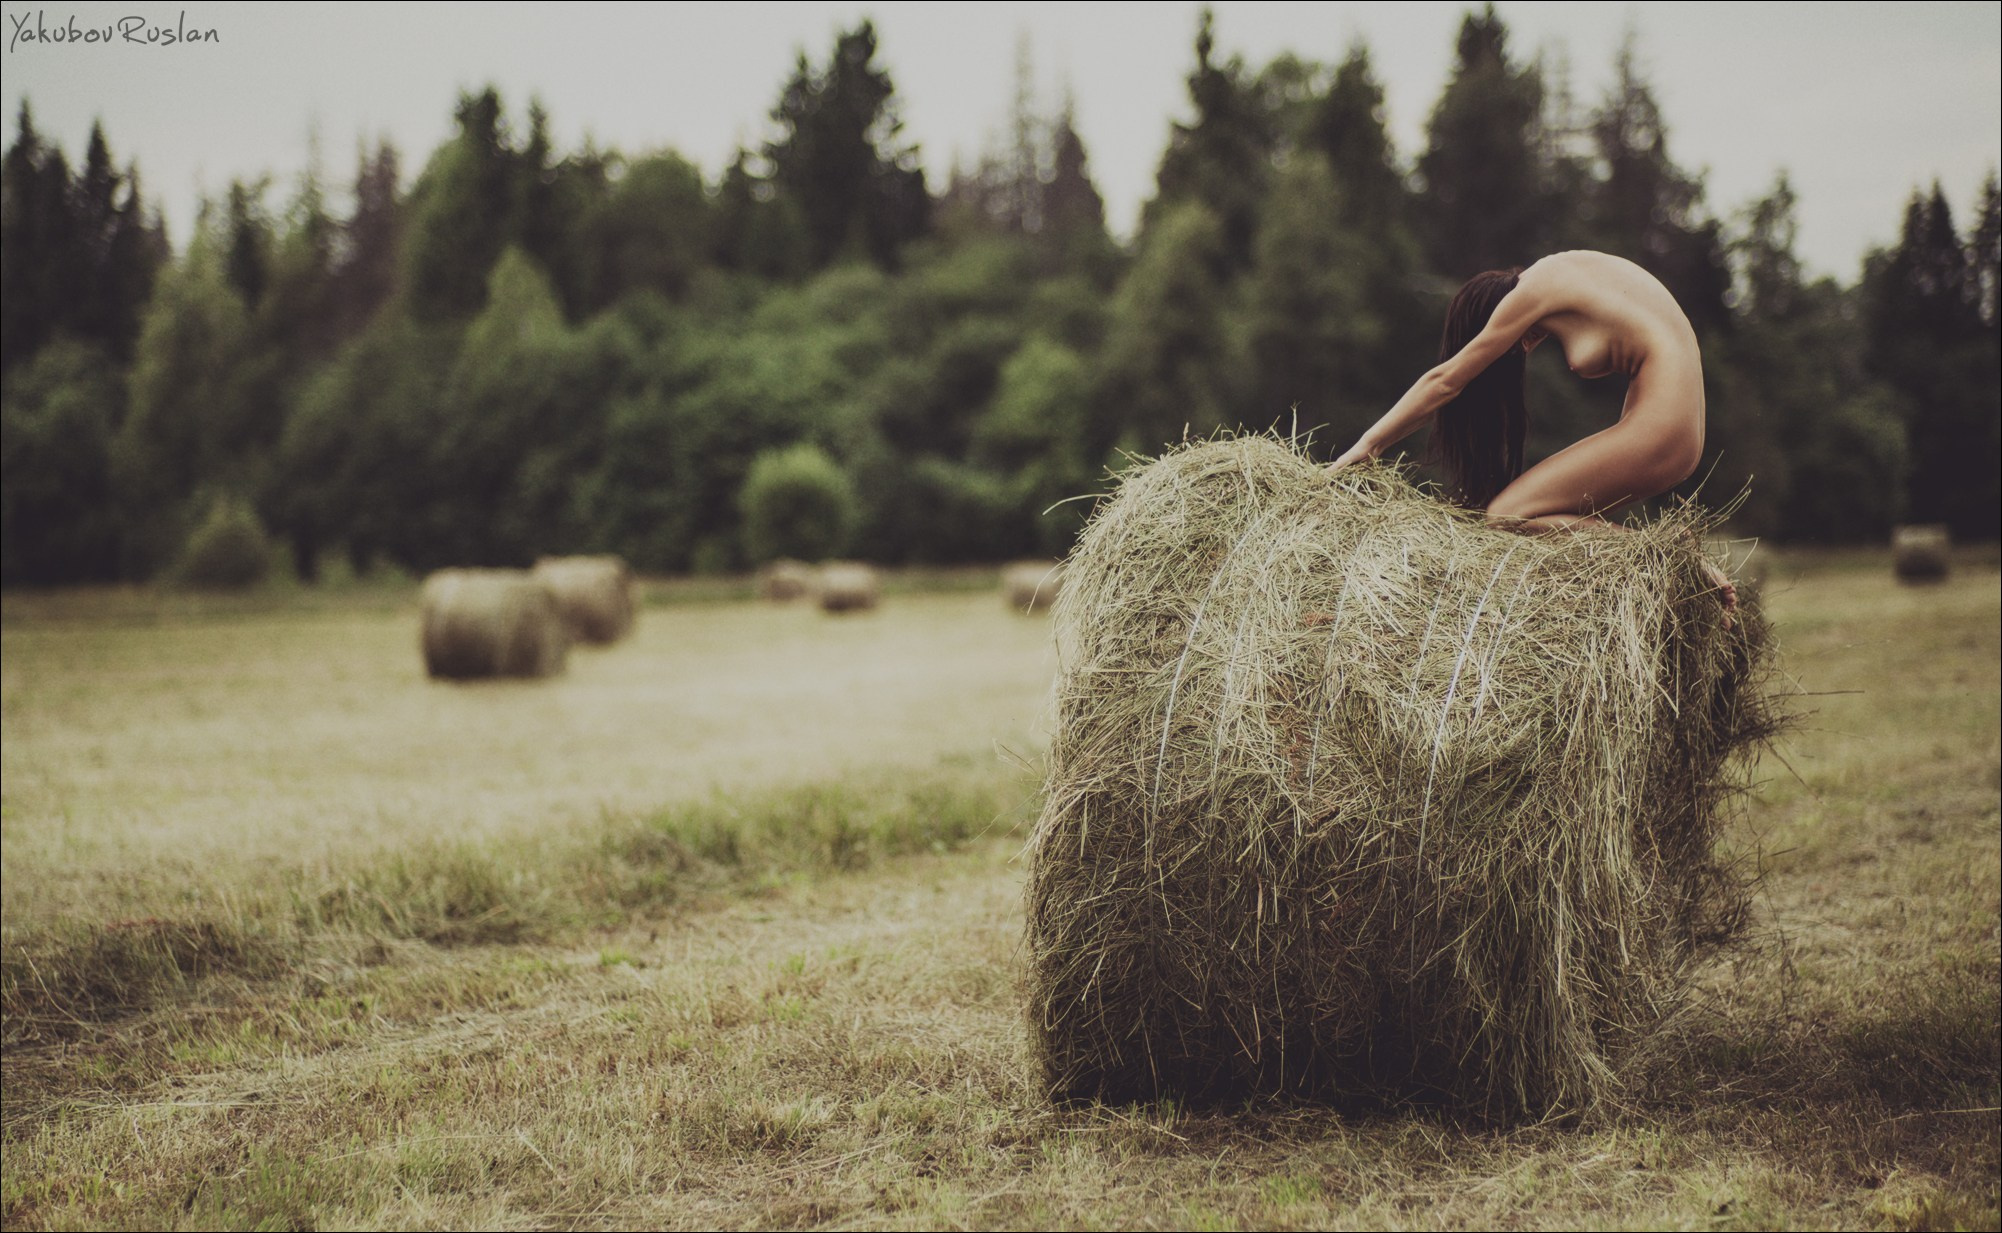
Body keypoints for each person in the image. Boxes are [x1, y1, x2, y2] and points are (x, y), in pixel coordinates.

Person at [1328, 249, 1736, 615]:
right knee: (1551, 514)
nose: (1522, 348)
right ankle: (1663, 561)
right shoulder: (1564, 271)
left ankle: (1671, 558)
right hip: (1677, 421)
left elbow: (1445, 382)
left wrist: (1370, 444)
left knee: (1506, 515)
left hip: (1661, 424)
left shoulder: (1530, 293)